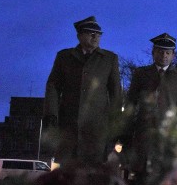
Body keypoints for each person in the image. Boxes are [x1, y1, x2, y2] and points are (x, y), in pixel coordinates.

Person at [43, 16, 122, 166]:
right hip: (69, 124)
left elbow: (116, 92)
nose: (95, 37)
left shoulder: (109, 59)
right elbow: (53, 86)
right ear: (79, 36)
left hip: (97, 126)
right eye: (91, 33)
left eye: (98, 34)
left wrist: (116, 122)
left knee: (93, 172)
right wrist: (51, 114)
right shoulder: (65, 57)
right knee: (67, 172)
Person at [124, 33, 177, 185]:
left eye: (168, 52)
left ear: (173, 55)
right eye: (160, 51)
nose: (164, 55)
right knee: (140, 179)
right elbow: (131, 102)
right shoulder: (141, 74)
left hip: (168, 136)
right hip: (143, 134)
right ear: (153, 52)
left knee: (166, 179)